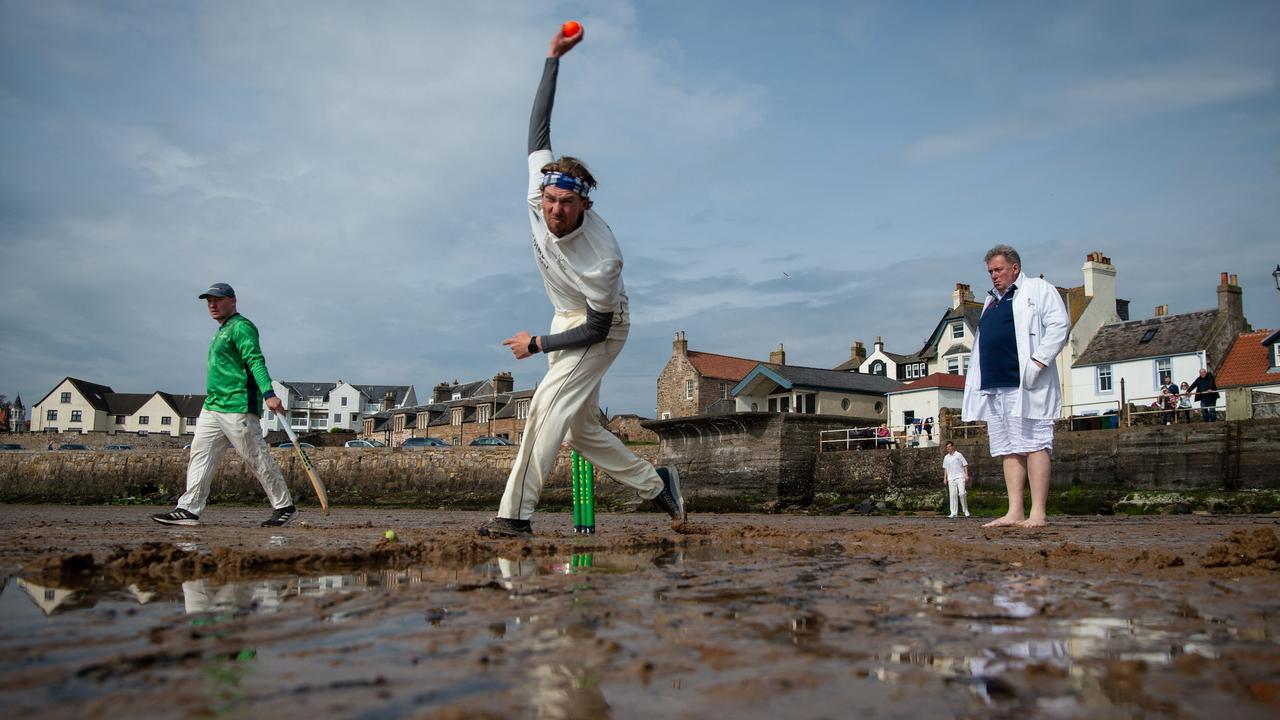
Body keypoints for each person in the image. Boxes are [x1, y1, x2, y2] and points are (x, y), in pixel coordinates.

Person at [477, 27, 684, 539]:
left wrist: (538, 344)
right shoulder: (538, 193)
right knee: (581, 428)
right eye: (550, 200)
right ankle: (657, 486)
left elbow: (595, 328)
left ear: (584, 205)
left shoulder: (602, 258)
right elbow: (537, 131)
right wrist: (552, 60)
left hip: (602, 328)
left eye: (566, 204)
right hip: (565, 318)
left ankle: (513, 518)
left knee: (546, 408)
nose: (554, 210)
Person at [152, 283, 296, 527]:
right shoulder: (221, 330)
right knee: (200, 454)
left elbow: (255, 361)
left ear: (233, 301)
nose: (212, 304)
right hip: (213, 405)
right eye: (209, 300)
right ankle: (188, 509)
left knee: (256, 457)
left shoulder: (241, 327)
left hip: (237, 405)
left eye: (217, 299)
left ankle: (284, 506)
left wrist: (268, 393)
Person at [961, 245, 1069, 528]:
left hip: (1026, 381)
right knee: (1008, 448)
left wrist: (1038, 362)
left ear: (1015, 268)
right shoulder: (991, 300)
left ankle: (1038, 513)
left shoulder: (1038, 289)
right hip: (995, 385)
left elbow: (1060, 325)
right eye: (990, 272)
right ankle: (1015, 511)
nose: (993, 276)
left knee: (1035, 444)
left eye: (998, 270)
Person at [942, 441, 970, 518]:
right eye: (947, 447)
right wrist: (945, 478)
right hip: (951, 478)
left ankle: (965, 510)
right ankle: (954, 512)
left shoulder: (959, 455)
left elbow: (965, 465)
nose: (948, 448)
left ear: (953, 446)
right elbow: (945, 468)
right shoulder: (946, 457)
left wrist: (966, 475)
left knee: (962, 493)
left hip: (960, 476)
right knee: (953, 495)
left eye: (949, 446)